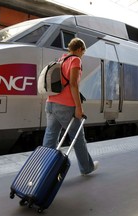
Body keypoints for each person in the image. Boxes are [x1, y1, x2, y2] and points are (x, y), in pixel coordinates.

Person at [42, 37, 98, 175]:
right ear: (79, 49)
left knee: (50, 138)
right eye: (83, 53)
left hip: (50, 103)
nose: (82, 55)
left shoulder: (61, 59)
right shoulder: (75, 60)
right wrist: (79, 108)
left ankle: (45, 169)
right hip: (65, 106)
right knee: (77, 138)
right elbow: (73, 84)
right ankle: (86, 168)